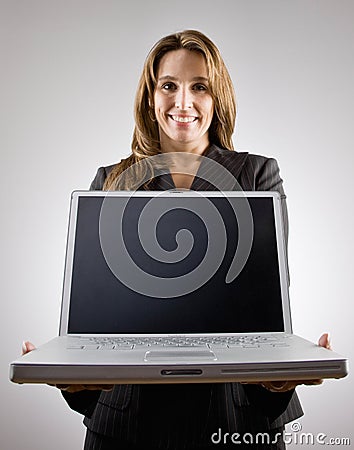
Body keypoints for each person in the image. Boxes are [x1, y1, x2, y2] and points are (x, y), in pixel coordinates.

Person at [23, 30, 331, 449]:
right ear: (151, 97)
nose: (182, 102)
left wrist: (276, 376)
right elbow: (98, 311)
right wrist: (75, 380)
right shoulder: (112, 181)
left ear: (216, 97)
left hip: (236, 419)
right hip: (129, 426)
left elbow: (267, 300)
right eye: (169, 85)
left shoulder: (257, 176)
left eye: (199, 87)